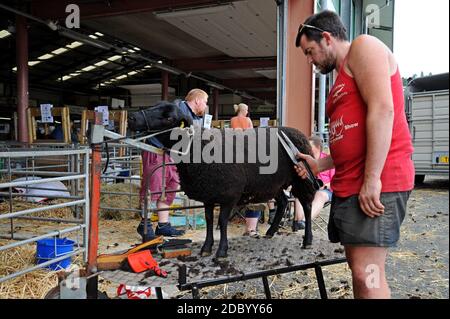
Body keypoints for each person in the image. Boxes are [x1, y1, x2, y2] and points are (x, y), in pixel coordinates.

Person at [294, 11, 414, 299]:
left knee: (367, 271)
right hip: (349, 184)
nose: (309, 61)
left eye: (310, 52)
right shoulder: (341, 80)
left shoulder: (364, 47)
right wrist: (320, 163)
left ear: (326, 38)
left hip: (375, 181)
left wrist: (372, 179)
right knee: (358, 269)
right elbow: (350, 136)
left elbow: (383, 110)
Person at [137, 89, 209, 241]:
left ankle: (163, 225)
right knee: (153, 187)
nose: (206, 105)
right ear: (197, 100)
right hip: (156, 150)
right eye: (205, 101)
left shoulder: (194, 117)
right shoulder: (176, 108)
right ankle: (145, 224)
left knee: (170, 186)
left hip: (172, 155)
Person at [291, 135, 335, 232]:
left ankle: (304, 221)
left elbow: (333, 180)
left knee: (320, 194)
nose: (308, 150)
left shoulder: (328, 160)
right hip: (309, 189)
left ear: (318, 148)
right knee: (299, 191)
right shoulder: (306, 161)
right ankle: (299, 222)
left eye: (310, 148)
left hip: (325, 190)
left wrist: (325, 185)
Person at [230, 103, 261, 238]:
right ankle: (252, 227)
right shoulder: (247, 121)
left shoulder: (232, 120)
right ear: (244, 110)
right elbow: (251, 136)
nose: (248, 112)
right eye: (247, 109)